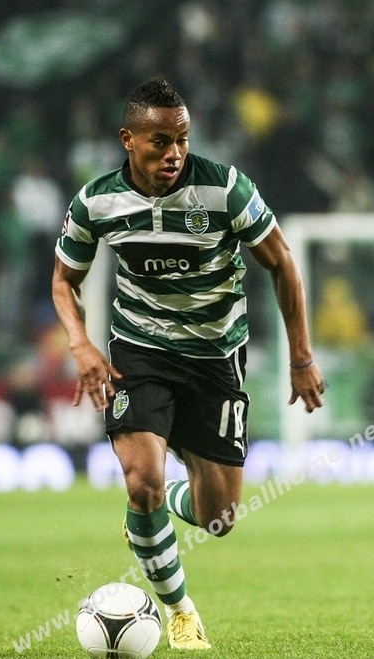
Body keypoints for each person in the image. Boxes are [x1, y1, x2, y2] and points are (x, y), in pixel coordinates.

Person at [52, 76, 325, 651]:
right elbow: (63, 279)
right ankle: (179, 610)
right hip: (140, 350)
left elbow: (282, 262)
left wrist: (301, 357)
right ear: (129, 139)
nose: (173, 152)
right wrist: (80, 343)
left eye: (181, 139)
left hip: (214, 356)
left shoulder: (225, 189)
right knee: (142, 482)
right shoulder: (96, 202)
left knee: (218, 519)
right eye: (159, 142)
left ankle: (160, 506)